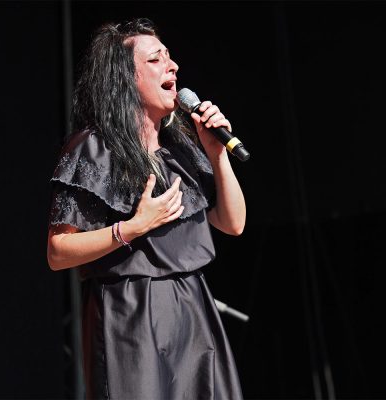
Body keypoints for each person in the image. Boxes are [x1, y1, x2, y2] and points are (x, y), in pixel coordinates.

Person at [47, 18, 245, 399]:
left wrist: (218, 155)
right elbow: (58, 252)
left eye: (170, 57)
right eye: (156, 60)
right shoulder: (93, 148)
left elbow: (232, 224)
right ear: (125, 80)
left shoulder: (181, 148)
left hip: (192, 310)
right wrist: (132, 228)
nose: (172, 66)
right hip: (131, 315)